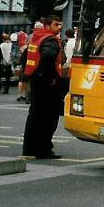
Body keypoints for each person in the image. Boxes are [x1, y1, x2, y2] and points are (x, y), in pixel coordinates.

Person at [21, 16, 67, 159]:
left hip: (36, 81)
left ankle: (29, 148)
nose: (59, 27)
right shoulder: (51, 40)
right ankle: (43, 148)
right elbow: (49, 56)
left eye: (60, 25)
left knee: (34, 116)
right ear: (47, 25)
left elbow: (24, 57)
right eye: (56, 24)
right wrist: (51, 77)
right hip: (47, 84)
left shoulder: (36, 37)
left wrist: (32, 73)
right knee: (49, 117)